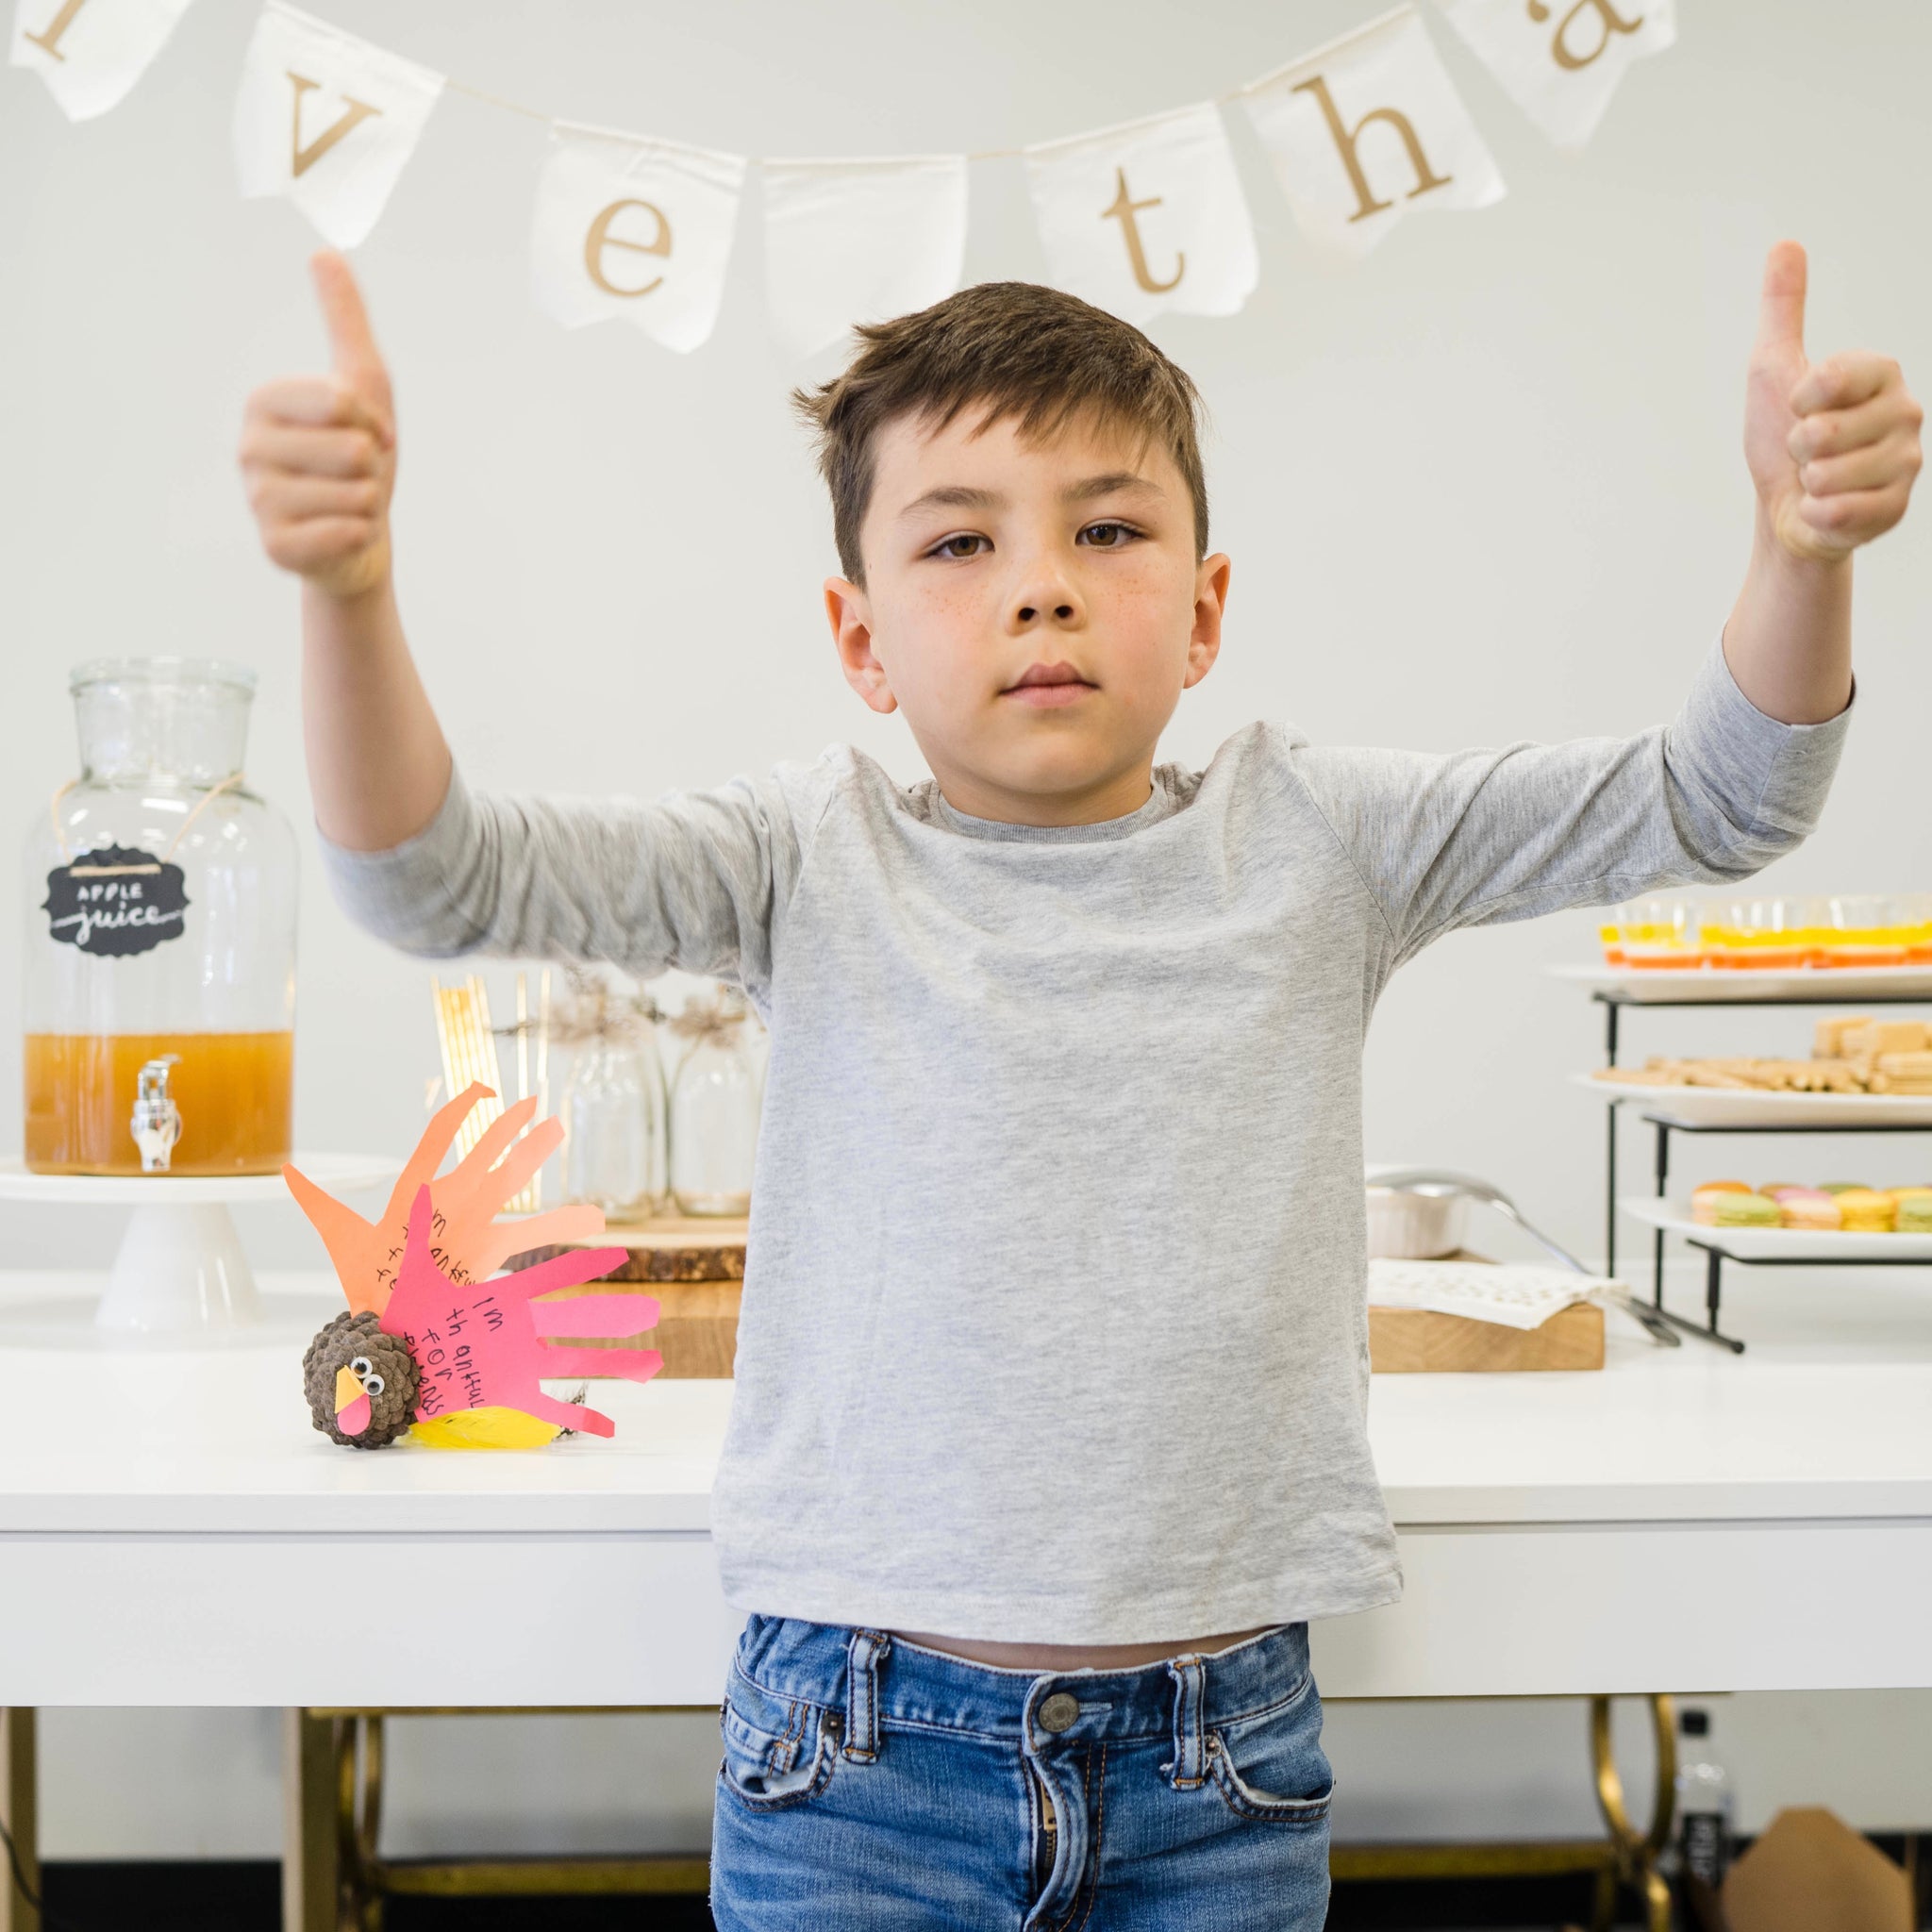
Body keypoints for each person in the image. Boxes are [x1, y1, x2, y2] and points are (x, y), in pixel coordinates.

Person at [240, 242, 1918, 1929]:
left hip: (1221, 1769)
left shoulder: (1326, 839)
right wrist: (349, 593)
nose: (1039, 584)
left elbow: (1723, 798)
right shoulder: (801, 860)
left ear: (1203, 613)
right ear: (860, 636)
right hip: (855, 1764)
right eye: (961, 540)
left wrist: (1799, 549)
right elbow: (427, 879)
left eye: (1106, 530)